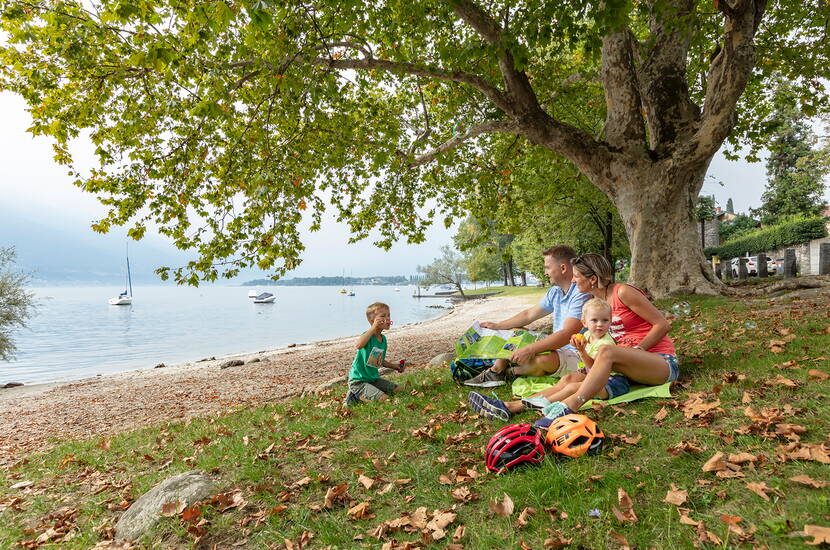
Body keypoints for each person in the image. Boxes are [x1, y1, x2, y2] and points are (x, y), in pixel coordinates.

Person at [469, 253, 678, 423]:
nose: (573, 279)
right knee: (570, 379)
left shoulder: (622, 292)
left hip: (660, 361)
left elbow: (662, 324)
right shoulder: (595, 303)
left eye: (577, 276)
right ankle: (510, 407)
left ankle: (569, 408)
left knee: (607, 351)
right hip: (625, 368)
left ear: (592, 279)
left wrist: (637, 351)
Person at [464, 245, 590, 391]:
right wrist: (497, 326)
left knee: (543, 360)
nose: (545, 272)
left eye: (548, 267)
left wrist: (530, 349)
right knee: (515, 330)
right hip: (557, 346)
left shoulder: (581, 293)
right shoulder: (555, 291)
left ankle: (511, 372)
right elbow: (529, 315)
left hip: (576, 352)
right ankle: (496, 371)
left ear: (563, 268)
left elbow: (566, 335)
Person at [520, 298, 623, 412]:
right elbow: (588, 367)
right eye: (594, 320)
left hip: (612, 382)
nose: (600, 324)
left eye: (605, 320)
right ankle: (537, 399)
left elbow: (595, 368)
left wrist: (581, 351)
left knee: (572, 387)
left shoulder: (605, 343)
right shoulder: (588, 335)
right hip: (595, 377)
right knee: (568, 378)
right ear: (584, 322)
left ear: (610, 321)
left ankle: (546, 402)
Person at [343, 302, 405, 406]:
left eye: (389, 315)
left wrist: (396, 366)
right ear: (372, 320)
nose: (388, 318)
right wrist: (373, 328)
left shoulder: (383, 339)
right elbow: (359, 345)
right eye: (383, 316)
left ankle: (370, 393)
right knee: (385, 400)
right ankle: (355, 396)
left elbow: (378, 361)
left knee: (399, 390)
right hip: (358, 381)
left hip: (373, 379)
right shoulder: (367, 336)